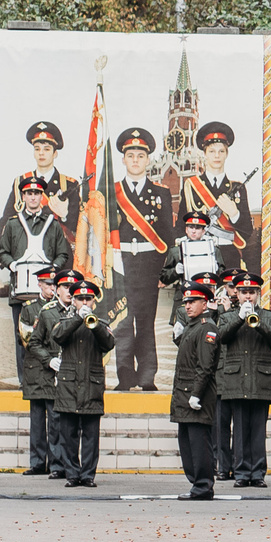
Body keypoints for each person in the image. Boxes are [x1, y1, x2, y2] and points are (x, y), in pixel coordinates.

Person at [106, 129, 174, 390]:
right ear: (123, 159)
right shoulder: (112, 192)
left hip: (148, 265)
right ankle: (125, 376)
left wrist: (164, 272)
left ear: (148, 160)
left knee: (146, 322)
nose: (135, 160)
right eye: (130, 155)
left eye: (140, 155)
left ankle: (147, 377)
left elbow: (168, 236)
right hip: (121, 264)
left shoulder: (161, 193)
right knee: (123, 322)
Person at [215, 270, 271, 488]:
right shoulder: (227, 316)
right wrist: (239, 318)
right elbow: (221, 337)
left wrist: (258, 323)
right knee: (240, 429)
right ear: (236, 293)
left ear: (257, 294)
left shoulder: (269, 316)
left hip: (260, 380)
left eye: (252, 293)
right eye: (244, 292)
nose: (248, 297)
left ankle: (258, 473)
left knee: (258, 430)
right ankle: (242, 472)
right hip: (236, 380)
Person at [49, 280, 115, 487]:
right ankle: (72, 474)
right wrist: (78, 318)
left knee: (90, 436)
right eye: (80, 298)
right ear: (74, 301)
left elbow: (109, 343)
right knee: (67, 434)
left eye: (88, 298)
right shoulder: (65, 321)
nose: (84, 302)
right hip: (69, 386)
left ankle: (87, 475)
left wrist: (93, 324)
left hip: (91, 386)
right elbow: (57, 336)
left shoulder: (101, 323)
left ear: (94, 301)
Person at [171, 281, 225, 499]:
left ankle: (203, 485)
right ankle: (197, 484)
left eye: (193, 301)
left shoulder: (207, 328)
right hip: (184, 394)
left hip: (196, 396)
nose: (188, 306)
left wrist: (196, 394)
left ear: (205, 303)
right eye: (186, 302)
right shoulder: (193, 327)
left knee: (199, 443)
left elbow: (205, 366)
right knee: (187, 444)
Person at [177, 121, 254, 269]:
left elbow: (247, 231)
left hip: (229, 256)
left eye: (221, 151)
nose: (217, 156)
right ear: (204, 154)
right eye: (212, 151)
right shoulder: (191, 186)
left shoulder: (237, 188)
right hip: (199, 254)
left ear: (227, 154)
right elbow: (181, 225)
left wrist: (234, 213)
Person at [17, 277, 71, 479]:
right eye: (48, 284)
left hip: (55, 372)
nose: (50, 288)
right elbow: (26, 338)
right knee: (37, 420)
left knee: (56, 420)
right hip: (36, 368)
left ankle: (57, 464)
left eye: (52, 284)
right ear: (40, 284)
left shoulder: (66, 309)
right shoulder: (31, 308)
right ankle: (38, 462)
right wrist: (47, 358)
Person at [0, 120, 83, 250]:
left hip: (59, 253)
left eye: (47, 149)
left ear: (55, 153)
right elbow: (7, 218)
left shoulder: (69, 185)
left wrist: (65, 215)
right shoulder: (21, 182)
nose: (41, 153)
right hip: (26, 251)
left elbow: (79, 228)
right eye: (37, 149)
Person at [0, 173, 74, 304]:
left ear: (41, 196)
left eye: (36, 193)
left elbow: (63, 254)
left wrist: (53, 268)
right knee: (19, 325)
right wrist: (13, 265)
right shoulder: (12, 224)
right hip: (19, 291)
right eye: (29, 193)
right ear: (23, 196)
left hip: (47, 293)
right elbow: (3, 253)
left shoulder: (53, 225)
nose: (33, 197)